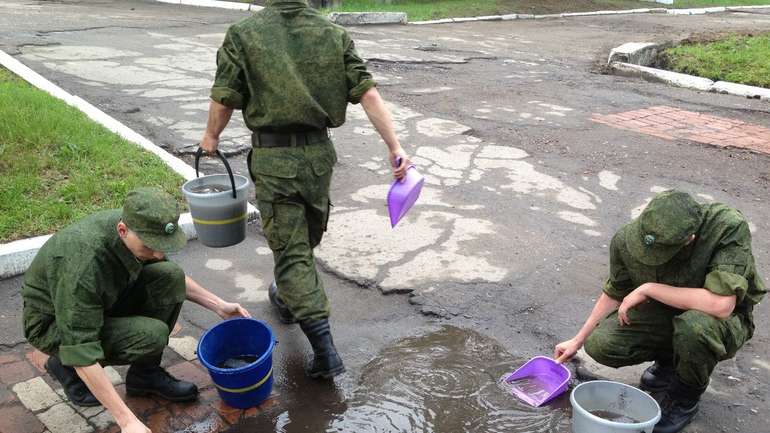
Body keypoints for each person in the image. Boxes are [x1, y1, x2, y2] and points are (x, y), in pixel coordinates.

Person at [199, 0, 410, 379]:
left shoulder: (244, 34)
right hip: (318, 157)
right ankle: (285, 294)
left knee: (292, 248)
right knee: (301, 239)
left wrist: (211, 137)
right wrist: (395, 147)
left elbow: (224, 96)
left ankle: (326, 352)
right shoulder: (333, 33)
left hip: (275, 159)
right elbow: (369, 93)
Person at [21, 187, 250, 433]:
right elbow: (81, 346)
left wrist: (219, 306)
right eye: (151, 246)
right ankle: (64, 365)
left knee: (169, 275)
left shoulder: (136, 228)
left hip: (102, 299)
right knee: (150, 335)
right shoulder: (83, 267)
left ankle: (145, 375)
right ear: (122, 231)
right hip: (52, 323)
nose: (159, 253)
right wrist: (128, 422)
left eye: (163, 245)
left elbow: (169, 274)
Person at [554, 190, 765, 433]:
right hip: (667, 315)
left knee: (695, 328)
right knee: (601, 344)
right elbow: (615, 291)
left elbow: (721, 305)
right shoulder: (629, 238)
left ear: (690, 239)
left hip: (722, 321)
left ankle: (685, 398)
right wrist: (577, 340)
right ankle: (669, 364)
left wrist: (650, 288)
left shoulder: (727, 226)